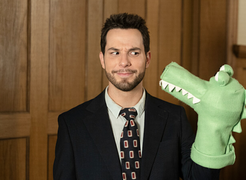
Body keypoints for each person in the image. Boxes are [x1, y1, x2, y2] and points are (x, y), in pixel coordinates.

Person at [53, 13, 220, 180]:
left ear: (147, 59)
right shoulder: (72, 124)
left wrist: (215, 125)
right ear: (102, 59)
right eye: (115, 53)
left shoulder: (176, 118)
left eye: (134, 53)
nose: (124, 62)